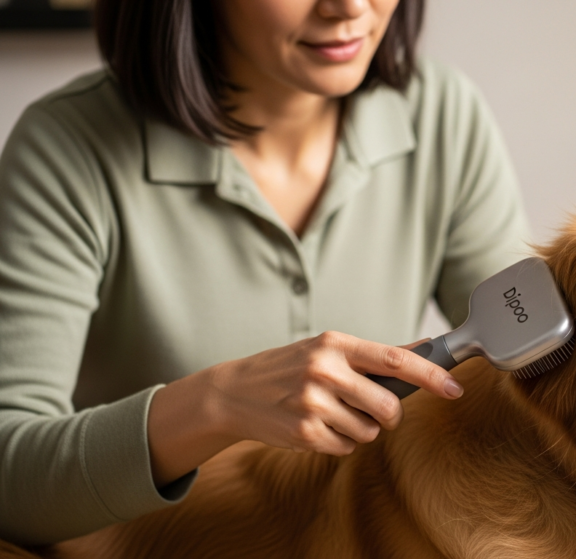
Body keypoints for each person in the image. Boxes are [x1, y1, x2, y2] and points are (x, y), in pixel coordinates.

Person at [0, 0, 530, 546]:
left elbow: (529, 357)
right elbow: (8, 472)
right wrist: (218, 403)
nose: (349, 7)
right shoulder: (65, 148)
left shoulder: (444, 114)